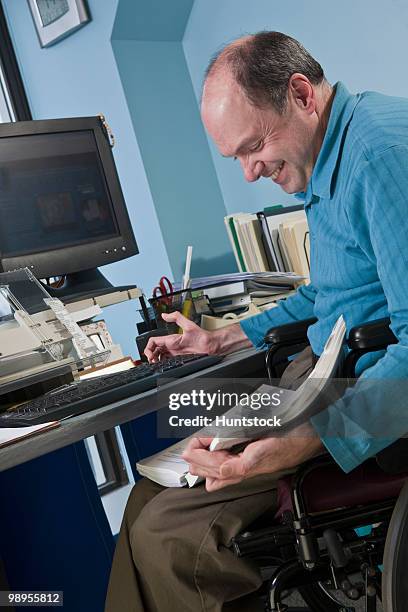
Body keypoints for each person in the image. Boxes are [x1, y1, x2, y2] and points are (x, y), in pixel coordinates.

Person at [105, 31, 408, 611]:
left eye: (253, 146)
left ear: (301, 93)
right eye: (236, 157)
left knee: (166, 537)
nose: (248, 173)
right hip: (319, 377)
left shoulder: (378, 156)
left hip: (363, 393)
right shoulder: (332, 155)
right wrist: (218, 337)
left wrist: (299, 442)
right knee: (146, 496)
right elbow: (329, 292)